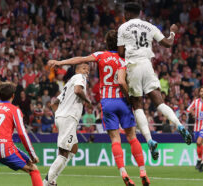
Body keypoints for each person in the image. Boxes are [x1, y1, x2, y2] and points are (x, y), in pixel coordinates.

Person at [48, 30, 149, 186]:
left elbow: (79, 59)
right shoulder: (124, 59)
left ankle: (123, 172)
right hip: (122, 100)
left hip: (107, 102)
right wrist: (131, 98)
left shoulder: (100, 55)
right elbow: (124, 81)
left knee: (115, 139)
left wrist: (60, 63)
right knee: (132, 137)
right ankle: (142, 171)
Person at [117, 2, 191, 160]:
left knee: (137, 105)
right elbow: (168, 44)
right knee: (160, 102)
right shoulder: (149, 26)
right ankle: (179, 125)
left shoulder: (123, 28)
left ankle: (149, 140)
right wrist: (172, 32)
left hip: (133, 65)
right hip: (147, 65)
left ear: (128, 14)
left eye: (125, 13)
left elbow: (121, 53)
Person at [43, 63, 91, 186]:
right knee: (63, 152)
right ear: (77, 70)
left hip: (63, 117)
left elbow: (54, 103)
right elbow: (78, 90)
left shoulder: (68, 83)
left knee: (73, 149)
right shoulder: (79, 78)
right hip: (69, 118)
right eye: (84, 68)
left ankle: (52, 180)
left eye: (88, 69)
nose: (87, 71)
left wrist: (59, 115)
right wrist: (88, 101)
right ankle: (46, 183)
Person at [186, 87, 203, 172]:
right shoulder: (196, 102)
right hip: (197, 126)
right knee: (199, 145)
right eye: (201, 91)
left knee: (199, 142)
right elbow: (188, 110)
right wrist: (193, 113)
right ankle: (200, 161)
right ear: (199, 93)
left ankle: (200, 161)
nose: (202, 93)